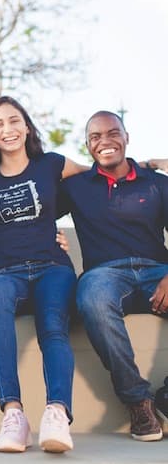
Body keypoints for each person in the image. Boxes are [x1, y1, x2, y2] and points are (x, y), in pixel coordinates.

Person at [0, 95, 87, 454]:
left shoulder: (51, 164)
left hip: (53, 267)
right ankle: (14, 414)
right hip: (8, 271)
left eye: (14, 120)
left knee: (52, 324)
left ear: (27, 127)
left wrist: (148, 165)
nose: (8, 129)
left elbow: (98, 176)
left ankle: (57, 413)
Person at [58, 110, 168, 442]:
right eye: (95, 137)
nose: (104, 141)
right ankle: (138, 401)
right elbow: (32, 204)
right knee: (91, 298)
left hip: (158, 271)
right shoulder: (75, 187)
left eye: (112, 133)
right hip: (104, 275)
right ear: (87, 146)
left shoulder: (157, 182)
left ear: (126, 138)